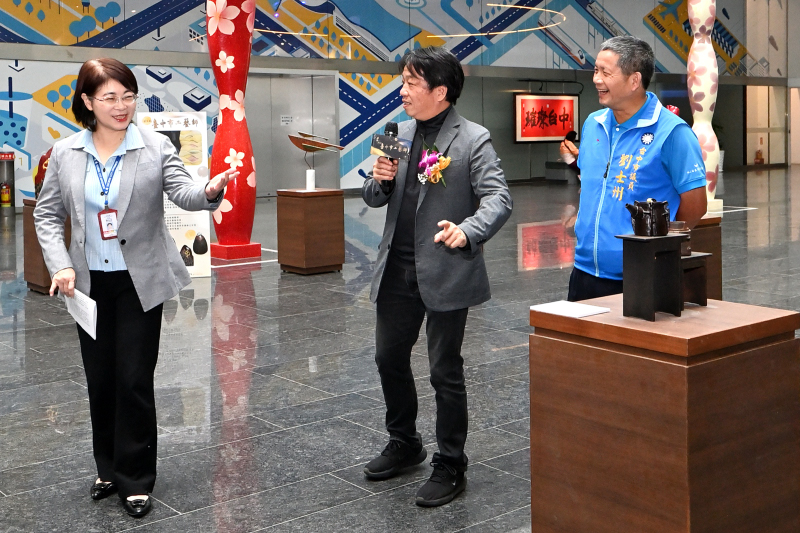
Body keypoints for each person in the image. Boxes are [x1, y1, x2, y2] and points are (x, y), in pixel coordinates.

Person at [34, 58, 237, 518]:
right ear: (87, 102)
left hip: (139, 280)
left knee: (133, 377)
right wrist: (60, 265)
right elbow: (47, 215)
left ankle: (137, 477)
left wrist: (209, 191)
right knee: (100, 379)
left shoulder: (154, 147)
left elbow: (184, 192)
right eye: (109, 97)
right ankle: (108, 468)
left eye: (128, 96)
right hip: (87, 283)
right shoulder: (66, 153)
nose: (121, 105)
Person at [362, 46, 512, 507]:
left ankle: (451, 463)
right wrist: (381, 179)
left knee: (444, 371)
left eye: (412, 83)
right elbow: (373, 195)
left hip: (447, 269)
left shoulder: (473, 139)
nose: (402, 91)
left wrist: (468, 231)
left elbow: (498, 198)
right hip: (397, 269)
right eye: (403, 81)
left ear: (440, 92)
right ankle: (404, 441)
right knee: (388, 358)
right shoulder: (397, 134)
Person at [568, 36, 707, 302]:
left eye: (606, 72)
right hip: (584, 271)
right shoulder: (593, 124)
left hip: (641, 275)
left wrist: (657, 247)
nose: (596, 79)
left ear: (634, 80)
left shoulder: (672, 132)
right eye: (596, 70)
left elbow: (696, 204)